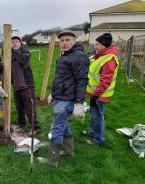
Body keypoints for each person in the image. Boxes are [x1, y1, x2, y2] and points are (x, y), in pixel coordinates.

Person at [37, 30, 90, 167]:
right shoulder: (64, 56)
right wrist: (53, 94)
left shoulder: (79, 57)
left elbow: (82, 81)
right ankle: (68, 151)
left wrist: (79, 103)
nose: (64, 43)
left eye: (67, 40)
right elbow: (60, 78)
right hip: (60, 97)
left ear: (74, 41)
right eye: (62, 41)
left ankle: (52, 161)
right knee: (63, 126)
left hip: (67, 99)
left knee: (57, 128)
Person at [83, 33, 119, 145]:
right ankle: (92, 132)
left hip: (100, 95)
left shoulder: (108, 60)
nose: (95, 46)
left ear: (104, 45)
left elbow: (105, 81)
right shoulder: (101, 55)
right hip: (95, 93)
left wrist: (95, 95)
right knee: (94, 114)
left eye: (97, 44)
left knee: (98, 116)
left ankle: (99, 139)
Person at [11, 35, 39, 135]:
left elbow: (23, 61)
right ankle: (21, 124)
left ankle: (34, 127)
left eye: (16, 41)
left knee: (29, 107)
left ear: (20, 43)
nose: (14, 43)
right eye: (12, 41)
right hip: (16, 86)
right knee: (19, 107)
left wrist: (14, 52)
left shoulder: (25, 53)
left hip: (27, 86)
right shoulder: (9, 55)